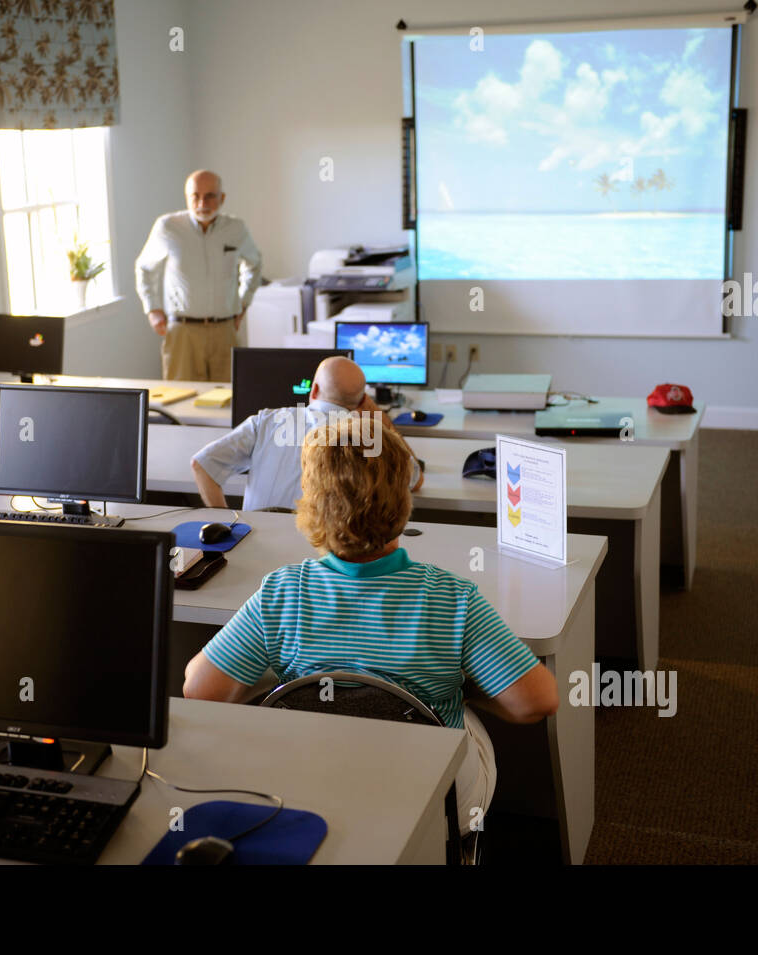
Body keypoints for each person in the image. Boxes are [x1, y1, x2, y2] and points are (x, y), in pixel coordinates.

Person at [182, 423, 558, 834]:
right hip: (430, 798)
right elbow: (535, 702)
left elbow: (201, 690)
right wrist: (461, 689)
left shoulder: (283, 593)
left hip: (311, 785)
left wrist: (284, 681)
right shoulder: (452, 597)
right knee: (462, 719)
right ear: (402, 500)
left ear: (312, 502)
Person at [190, 355, 424, 511]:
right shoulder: (370, 436)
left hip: (255, 544)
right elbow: (415, 481)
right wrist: (381, 420)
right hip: (324, 558)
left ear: (314, 390)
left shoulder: (266, 420)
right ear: (363, 401)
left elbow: (201, 464)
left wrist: (228, 526)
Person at [134, 169, 262, 382]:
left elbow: (254, 264)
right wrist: (153, 309)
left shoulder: (236, 228)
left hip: (224, 331)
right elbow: (145, 268)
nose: (203, 202)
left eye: (210, 195)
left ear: (222, 198)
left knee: (230, 399)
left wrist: (243, 303)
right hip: (182, 333)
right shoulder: (168, 227)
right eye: (195, 195)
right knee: (181, 401)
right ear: (187, 197)